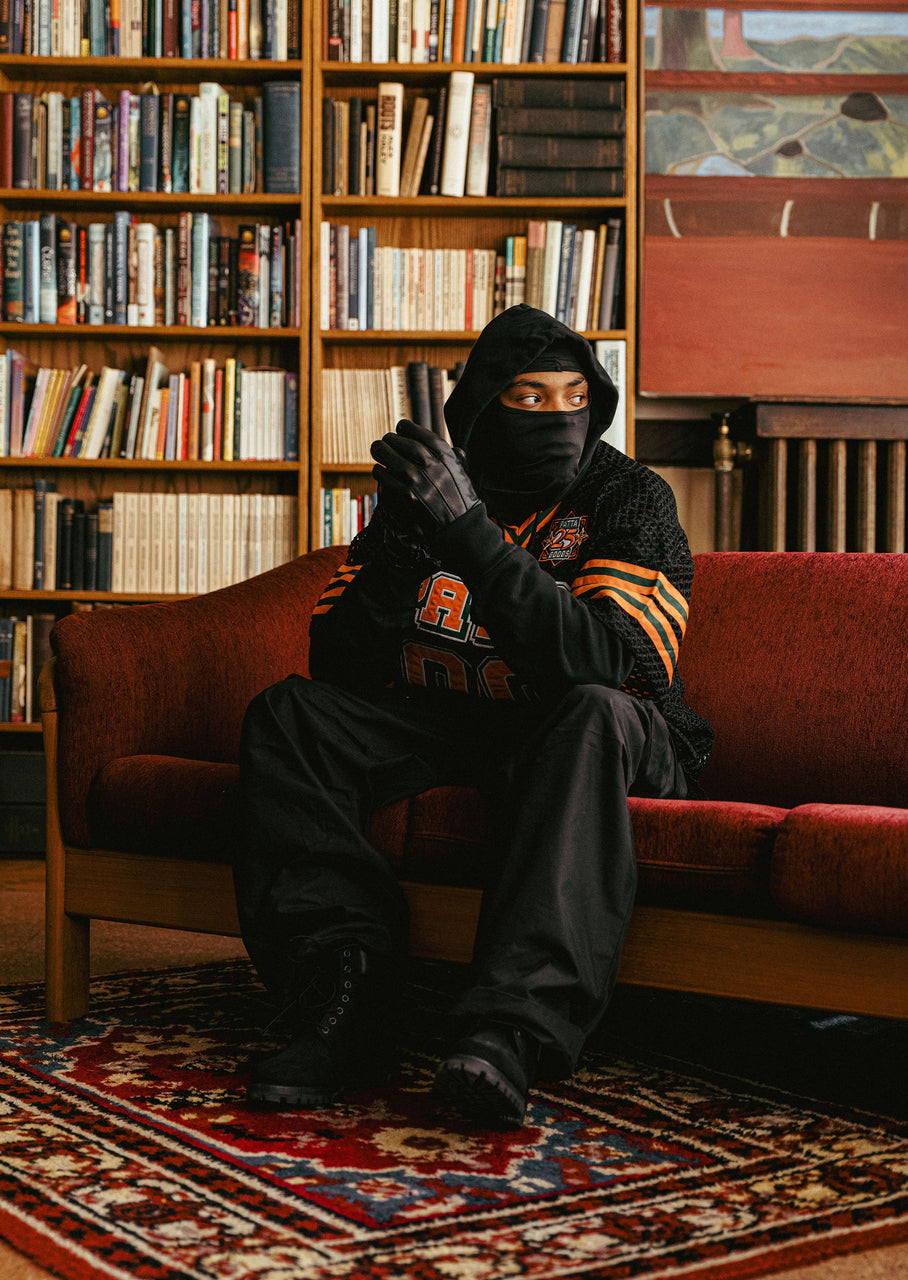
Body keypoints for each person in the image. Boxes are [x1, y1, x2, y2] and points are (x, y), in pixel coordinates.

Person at [235, 304, 713, 1128]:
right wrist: (401, 540)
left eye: (575, 398)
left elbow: (602, 662)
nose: (558, 418)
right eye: (530, 398)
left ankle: (508, 1031)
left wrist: (470, 535)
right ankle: (344, 993)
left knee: (590, 711)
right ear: (485, 407)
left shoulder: (630, 497)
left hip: (616, 734)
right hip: (462, 722)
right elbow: (339, 664)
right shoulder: (437, 487)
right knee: (292, 715)